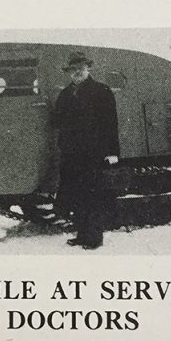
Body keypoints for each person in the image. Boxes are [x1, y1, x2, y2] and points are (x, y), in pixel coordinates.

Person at [53, 52, 120, 250]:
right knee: (76, 196)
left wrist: (112, 151)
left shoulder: (101, 91)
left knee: (93, 196)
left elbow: (111, 123)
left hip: (93, 154)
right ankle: (82, 235)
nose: (77, 73)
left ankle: (94, 238)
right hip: (71, 155)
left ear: (88, 69)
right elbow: (58, 121)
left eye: (80, 69)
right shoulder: (65, 94)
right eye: (73, 70)